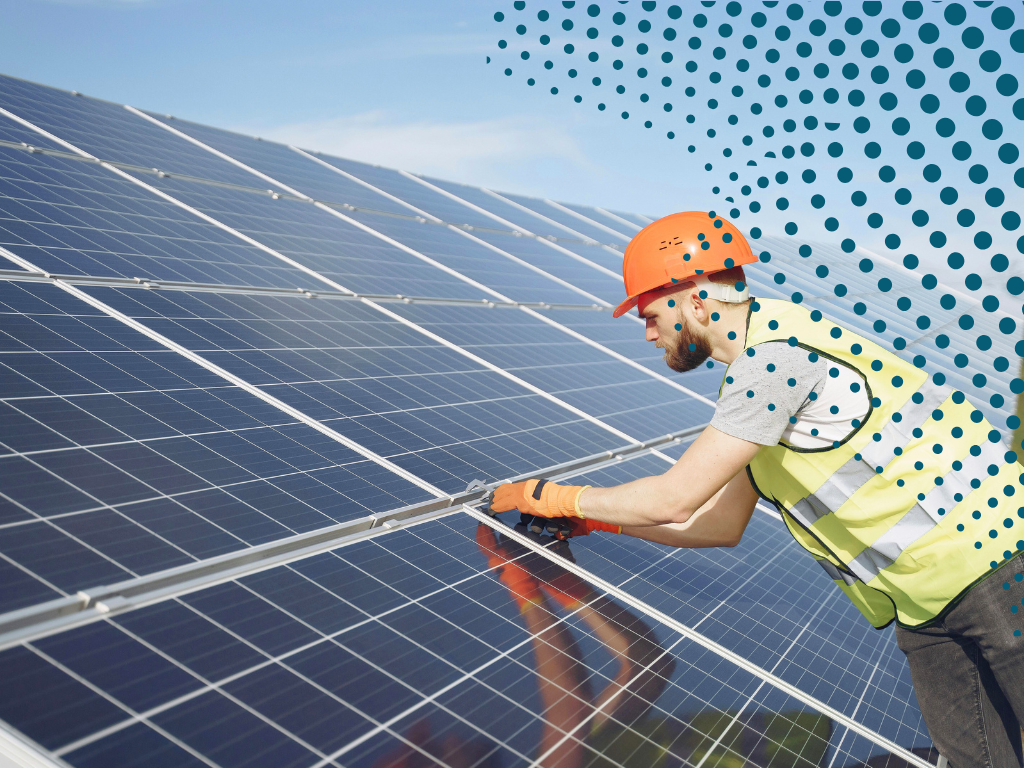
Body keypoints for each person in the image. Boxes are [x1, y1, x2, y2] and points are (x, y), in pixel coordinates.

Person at [489, 211, 1024, 768]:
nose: (648, 333)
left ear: (697, 301)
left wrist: (551, 496)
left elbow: (674, 498)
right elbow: (718, 524)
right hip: (927, 601)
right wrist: (599, 521)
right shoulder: (761, 369)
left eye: (650, 316)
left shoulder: (776, 362)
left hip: (999, 567)